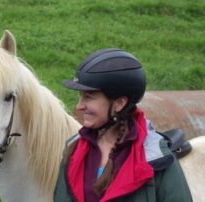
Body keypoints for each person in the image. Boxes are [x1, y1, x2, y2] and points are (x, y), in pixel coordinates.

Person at [54, 48, 192, 202]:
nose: (79, 106)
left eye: (89, 97)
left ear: (119, 104)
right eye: (81, 97)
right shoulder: (73, 150)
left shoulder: (158, 158)